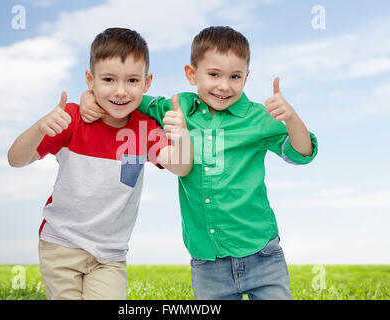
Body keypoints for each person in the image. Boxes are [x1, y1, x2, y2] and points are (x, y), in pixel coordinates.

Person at [79, 26, 318, 300]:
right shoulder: (176, 107)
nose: (224, 85)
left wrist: (291, 117)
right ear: (192, 74)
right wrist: (88, 97)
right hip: (207, 261)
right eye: (214, 74)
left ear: (246, 78)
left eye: (235, 76)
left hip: (261, 253)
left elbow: (303, 153)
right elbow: (124, 101)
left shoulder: (258, 118)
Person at [7, 28, 192, 300]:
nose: (120, 91)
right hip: (60, 246)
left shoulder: (144, 128)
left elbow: (180, 167)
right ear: (90, 80)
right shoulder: (71, 118)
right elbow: (15, 159)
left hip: (110, 256)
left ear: (147, 82)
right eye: (108, 79)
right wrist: (40, 126)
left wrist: (183, 137)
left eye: (132, 80)